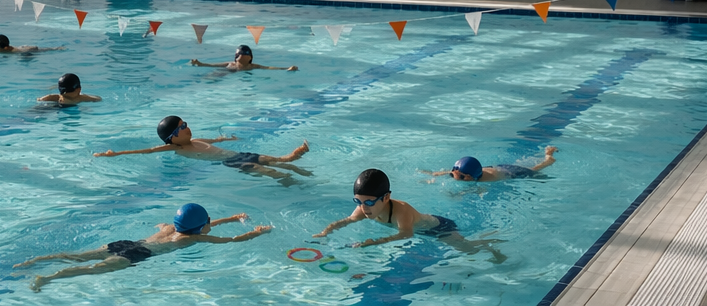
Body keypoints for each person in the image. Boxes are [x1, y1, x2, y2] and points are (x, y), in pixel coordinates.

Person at [14, 203, 271, 292]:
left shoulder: (170, 228)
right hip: (139, 254)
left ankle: (33, 262)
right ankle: (46, 278)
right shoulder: (189, 239)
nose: (211, 226)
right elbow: (231, 241)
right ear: (199, 229)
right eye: (208, 224)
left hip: (127, 242)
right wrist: (256, 233)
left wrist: (232, 217)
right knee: (91, 270)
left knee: (76, 256)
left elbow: (199, 222)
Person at [314, 169, 504, 262]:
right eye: (359, 202)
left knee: (468, 250)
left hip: (438, 228)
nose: (364, 208)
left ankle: (489, 242)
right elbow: (344, 221)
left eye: (369, 202)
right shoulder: (363, 209)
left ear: (386, 197)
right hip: (421, 229)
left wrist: (376, 242)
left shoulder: (401, 210)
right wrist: (326, 232)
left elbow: (406, 234)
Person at [93, 116, 311, 181]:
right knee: (270, 172)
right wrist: (116, 154)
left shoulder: (196, 140)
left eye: (186, 125)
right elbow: (146, 151)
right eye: (182, 128)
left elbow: (215, 140)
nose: (188, 129)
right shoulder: (172, 149)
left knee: (278, 160)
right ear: (172, 139)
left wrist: (226, 139)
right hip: (231, 162)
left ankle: (294, 163)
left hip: (238, 154)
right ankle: (290, 181)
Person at [425, 146, 559, 182]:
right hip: (499, 168)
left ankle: (548, 160)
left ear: (471, 177)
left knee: (534, 170)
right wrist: (434, 174)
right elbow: (452, 172)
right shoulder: (463, 172)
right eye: (455, 173)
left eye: (461, 177)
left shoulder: (482, 180)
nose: (456, 177)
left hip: (512, 173)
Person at [190, 44, 298, 71]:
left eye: (243, 54)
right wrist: (200, 64)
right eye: (239, 54)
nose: (241, 56)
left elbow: (269, 68)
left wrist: (286, 68)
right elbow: (213, 65)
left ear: (250, 57)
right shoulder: (230, 64)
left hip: (235, 74)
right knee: (213, 77)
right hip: (228, 72)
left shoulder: (253, 66)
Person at [0, 34, 64, 54]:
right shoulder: (0, 50)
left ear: (6, 48)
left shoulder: (17, 51)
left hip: (27, 51)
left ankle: (57, 48)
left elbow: (35, 48)